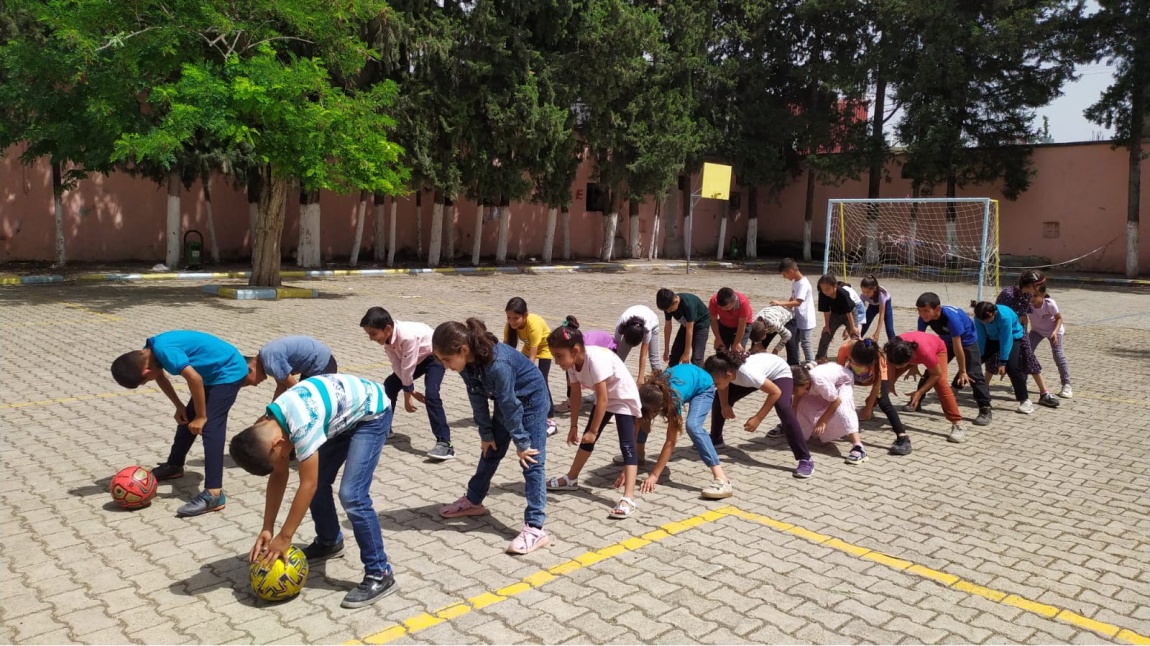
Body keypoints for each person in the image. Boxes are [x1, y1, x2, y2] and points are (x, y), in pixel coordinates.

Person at [229, 375, 397, 609]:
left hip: (372, 413)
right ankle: (329, 541)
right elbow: (279, 475)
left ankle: (381, 573)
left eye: (279, 456)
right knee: (319, 480)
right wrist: (268, 528)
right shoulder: (266, 427)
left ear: (277, 445)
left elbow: (308, 485)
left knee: (352, 495)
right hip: (342, 418)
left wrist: (285, 537)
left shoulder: (301, 425)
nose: (284, 460)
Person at [432, 319, 551, 554]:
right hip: (508, 403)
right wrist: (486, 433)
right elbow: (476, 397)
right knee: (490, 450)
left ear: (463, 350)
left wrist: (522, 443)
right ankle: (473, 501)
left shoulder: (499, 364)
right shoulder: (466, 363)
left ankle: (536, 528)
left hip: (531, 402)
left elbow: (510, 405)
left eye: (447, 359)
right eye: (441, 361)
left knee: (531, 461)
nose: (445, 366)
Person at [111, 330, 250, 517]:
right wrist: (179, 406)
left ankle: (214, 493)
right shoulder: (147, 353)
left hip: (228, 371)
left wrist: (201, 416)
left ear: (145, 372)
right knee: (187, 419)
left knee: (210, 426)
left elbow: (195, 378)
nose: (148, 381)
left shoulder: (164, 352)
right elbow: (160, 376)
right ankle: (174, 466)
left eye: (145, 382)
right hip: (211, 373)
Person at [545, 326, 643, 519]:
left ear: (575, 350)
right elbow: (575, 394)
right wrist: (574, 426)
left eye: (558, 356)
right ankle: (571, 479)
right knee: (587, 439)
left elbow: (603, 399)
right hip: (605, 398)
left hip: (622, 397)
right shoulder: (572, 364)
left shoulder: (595, 360)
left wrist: (593, 430)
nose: (557, 362)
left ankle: (628, 498)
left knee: (626, 446)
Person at [613, 365, 733, 499]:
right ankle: (639, 456)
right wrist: (628, 467)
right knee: (642, 417)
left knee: (693, 426)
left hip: (703, 386)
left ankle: (722, 479)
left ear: (662, 406)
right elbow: (634, 432)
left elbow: (670, 442)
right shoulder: (647, 392)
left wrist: (654, 476)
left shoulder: (673, 401)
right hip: (686, 379)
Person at [704, 349, 813, 479]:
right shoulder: (726, 370)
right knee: (719, 398)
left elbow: (775, 392)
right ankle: (716, 440)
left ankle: (805, 458)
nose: (714, 385)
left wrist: (758, 418)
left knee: (783, 407)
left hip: (778, 372)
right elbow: (723, 386)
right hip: (757, 374)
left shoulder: (748, 374)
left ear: (728, 375)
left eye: (715, 383)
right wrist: (724, 405)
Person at [361, 307, 453, 460]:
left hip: (434, 357)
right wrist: (410, 390)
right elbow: (397, 365)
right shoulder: (388, 340)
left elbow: (408, 366)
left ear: (388, 328)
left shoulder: (407, 336)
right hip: (417, 359)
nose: (371, 338)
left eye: (373, 334)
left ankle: (445, 444)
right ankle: (385, 428)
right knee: (390, 385)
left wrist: (407, 394)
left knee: (432, 394)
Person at [915, 292, 993, 427]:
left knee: (974, 373)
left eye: (926, 311)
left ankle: (985, 408)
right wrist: (915, 364)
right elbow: (919, 341)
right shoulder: (922, 318)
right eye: (919, 310)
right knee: (932, 369)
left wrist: (963, 371)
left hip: (966, 342)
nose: (922, 314)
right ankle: (916, 401)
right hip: (945, 341)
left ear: (937, 309)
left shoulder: (952, 319)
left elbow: (958, 347)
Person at [884, 332, 968, 443]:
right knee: (883, 379)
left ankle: (957, 424)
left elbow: (936, 374)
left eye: (899, 365)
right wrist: (890, 384)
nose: (897, 367)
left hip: (937, 349)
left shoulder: (926, 353)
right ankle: (869, 408)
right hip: (910, 352)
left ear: (909, 359)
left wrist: (919, 392)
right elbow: (890, 365)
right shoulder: (893, 349)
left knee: (941, 384)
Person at [995, 271, 1059, 408]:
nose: (1040, 289)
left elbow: (1024, 316)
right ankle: (982, 390)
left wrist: (1024, 334)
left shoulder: (1028, 295)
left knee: (1030, 358)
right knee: (996, 363)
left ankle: (1044, 393)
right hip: (1006, 333)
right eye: (1038, 285)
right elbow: (999, 315)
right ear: (1030, 284)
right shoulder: (1008, 294)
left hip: (1020, 331)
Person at [837, 338, 910, 455]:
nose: (863, 365)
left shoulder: (878, 354)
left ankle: (902, 436)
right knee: (838, 392)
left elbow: (877, 384)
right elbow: (838, 371)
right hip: (855, 375)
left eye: (867, 364)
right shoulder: (845, 348)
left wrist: (868, 408)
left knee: (884, 402)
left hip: (876, 377)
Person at [790, 363, 868, 465]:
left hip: (843, 381)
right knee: (801, 403)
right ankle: (802, 435)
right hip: (828, 385)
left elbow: (836, 401)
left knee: (842, 409)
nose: (792, 392)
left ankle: (858, 446)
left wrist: (822, 421)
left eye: (794, 390)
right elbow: (795, 405)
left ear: (806, 384)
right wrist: (791, 428)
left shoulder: (819, 382)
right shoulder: (802, 382)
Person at [504, 297, 558, 433]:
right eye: (509, 318)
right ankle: (527, 411)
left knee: (541, 379)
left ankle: (550, 420)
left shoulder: (534, 324)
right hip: (528, 348)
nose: (512, 322)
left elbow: (532, 357)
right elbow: (505, 349)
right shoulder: (510, 326)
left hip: (545, 347)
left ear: (525, 315)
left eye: (515, 318)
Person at [972, 301, 1034, 415]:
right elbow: (980, 337)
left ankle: (1025, 400)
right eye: (983, 321)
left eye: (987, 321)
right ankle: (955, 387)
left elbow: (1006, 339)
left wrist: (1003, 362)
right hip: (992, 337)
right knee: (973, 361)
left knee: (1012, 367)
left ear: (993, 313)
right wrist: (979, 356)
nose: (985, 323)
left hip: (1013, 336)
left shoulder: (1004, 317)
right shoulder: (979, 317)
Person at [555, 315, 616, 413]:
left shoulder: (586, 349)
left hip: (610, 348)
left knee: (600, 380)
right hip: (599, 348)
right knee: (571, 372)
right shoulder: (575, 343)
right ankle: (574, 401)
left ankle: (608, 407)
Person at [246, 336, 337, 399]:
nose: (255, 384)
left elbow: (296, 389)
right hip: (317, 362)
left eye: (250, 382)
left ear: (250, 369)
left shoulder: (271, 362)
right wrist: (270, 414)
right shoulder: (266, 356)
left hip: (322, 364)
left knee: (309, 400)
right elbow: (281, 387)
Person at [1027, 283, 1072, 399]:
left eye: (1035, 295)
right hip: (1037, 331)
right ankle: (1022, 380)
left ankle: (1066, 385)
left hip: (1054, 331)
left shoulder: (1049, 304)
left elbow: (1059, 318)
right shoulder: (1027, 304)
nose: (1032, 298)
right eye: (1030, 295)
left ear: (1042, 295)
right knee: (1025, 353)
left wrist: (1055, 332)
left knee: (1058, 355)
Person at [771, 258, 817, 363]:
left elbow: (798, 302)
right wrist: (784, 310)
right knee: (794, 342)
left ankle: (811, 364)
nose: (784, 277)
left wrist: (780, 302)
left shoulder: (803, 284)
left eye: (784, 275)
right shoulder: (796, 282)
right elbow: (792, 298)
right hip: (797, 318)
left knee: (805, 343)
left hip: (805, 319)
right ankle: (796, 364)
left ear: (791, 271)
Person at [656, 288, 710, 368]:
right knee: (675, 355)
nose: (669, 312)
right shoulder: (667, 305)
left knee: (696, 358)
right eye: (667, 310)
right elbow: (668, 326)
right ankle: (669, 377)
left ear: (676, 302)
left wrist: (686, 353)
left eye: (670, 309)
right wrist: (666, 349)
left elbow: (690, 330)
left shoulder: (688, 304)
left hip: (701, 325)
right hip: (686, 324)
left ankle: (701, 378)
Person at [815, 274, 861, 361]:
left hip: (849, 314)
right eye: (823, 289)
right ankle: (821, 359)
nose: (825, 292)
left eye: (828, 289)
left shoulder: (843, 294)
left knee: (854, 336)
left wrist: (852, 327)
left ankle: (858, 359)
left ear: (835, 286)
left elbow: (848, 311)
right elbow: (826, 311)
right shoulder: (822, 294)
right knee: (825, 335)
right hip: (835, 314)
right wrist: (827, 326)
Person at [614, 304, 663, 383]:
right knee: (619, 356)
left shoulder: (647, 329)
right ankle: (609, 383)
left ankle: (662, 385)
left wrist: (639, 380)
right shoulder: (621, 325)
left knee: (654, 359)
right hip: (630, 325)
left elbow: (643, 355)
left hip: (652, 323)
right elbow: (615, 349)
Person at [709, 287, 753, 351]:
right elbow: (713, 321)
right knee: (721, 351)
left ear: (734, 301)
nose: (723, 309)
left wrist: (737, 343)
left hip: (741, 326)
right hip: (724, 324)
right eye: (720, 307)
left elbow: (742, 325)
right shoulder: (714, 301)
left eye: (726, 307)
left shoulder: (743, 303)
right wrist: (718, 339)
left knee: (737, 352)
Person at [858, 275, 896, 342]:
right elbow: (860, 314)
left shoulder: (881, 295)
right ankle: (855, 344)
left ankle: (895, 347)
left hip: (885, 303)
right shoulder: (862, 296)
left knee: (889, 329)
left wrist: (877, 332)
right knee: (864, 325)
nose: (865, 294)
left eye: (868, 292)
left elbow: (882, 315)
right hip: (873, 305)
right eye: (863, 292)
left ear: (874, 289)